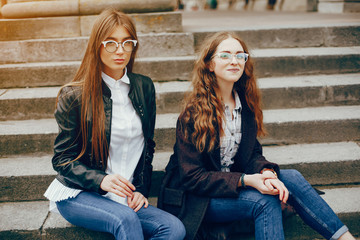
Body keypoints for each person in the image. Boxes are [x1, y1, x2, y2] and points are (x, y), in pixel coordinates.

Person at [157, 31, 356, 240]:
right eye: (225, 55)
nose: (234, 61)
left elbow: (252, 153)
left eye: (240, 56)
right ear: (210, 64)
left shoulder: (246, 105)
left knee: (291, 177)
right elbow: (192, 178)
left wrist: (266, 171)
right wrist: (247, 180)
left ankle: (345, 238)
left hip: (231, 184)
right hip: (197, 199)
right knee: (265, 200)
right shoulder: (193, 114)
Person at [44, 8, 185, 240]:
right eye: (111, 43)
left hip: (124, 196)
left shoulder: (144, 87)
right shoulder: (74, 96)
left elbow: (147, 147)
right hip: (79, 193)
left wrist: (140, 190)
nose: (120, 50)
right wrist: (102, 180)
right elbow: (62, 160)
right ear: (97, 46)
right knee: (125, 218)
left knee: (174, 228)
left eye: (126, 43)